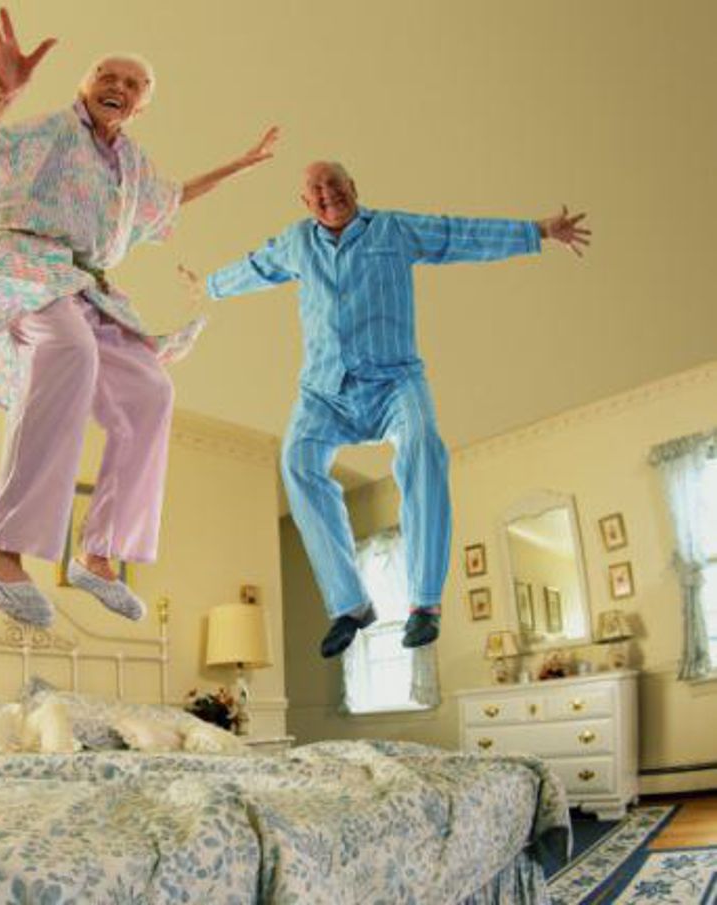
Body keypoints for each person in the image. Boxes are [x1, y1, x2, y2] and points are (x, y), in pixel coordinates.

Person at [0, 8, 279, 627]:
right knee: (68, 352)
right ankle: (0, 550)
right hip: (27, 264)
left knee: (151, 391)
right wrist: (1, 98)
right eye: (107, 75)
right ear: (84, 84)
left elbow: (174, 197)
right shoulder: (53, 132)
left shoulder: (132, 165)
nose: (118, 86)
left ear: (141, 106)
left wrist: (240, 165)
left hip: (85, 286)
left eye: (133, 84)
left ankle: (98, 554)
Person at [186, 161, 590, 658]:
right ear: (306, 203)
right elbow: (257, 266)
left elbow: (457, 235)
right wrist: (208, 286)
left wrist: (538, 232)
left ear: (353, 188)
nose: (327, 193)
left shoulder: (394, 230)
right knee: (296, 460)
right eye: (316, 189)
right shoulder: (297, 242)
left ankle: (424, 602)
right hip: (324, 391)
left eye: (335, 184)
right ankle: (351, 605)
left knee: (424, 447)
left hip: (395, 381)